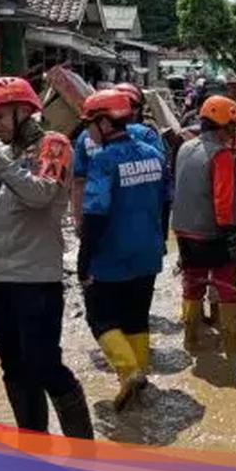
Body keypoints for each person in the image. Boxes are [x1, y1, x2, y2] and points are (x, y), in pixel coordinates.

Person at [0, 77, 93, 438]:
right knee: (14, 368)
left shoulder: (54, 147)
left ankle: (83, 450)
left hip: (36, 282)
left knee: (44, 366)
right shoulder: (2, 156)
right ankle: (34, 446)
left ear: (24, 111)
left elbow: (40, 196)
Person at [77, 89, 170, 410]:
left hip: (111, 254)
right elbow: (165, 202)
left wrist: (83, 260)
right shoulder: (154, 153)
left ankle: (128, 371)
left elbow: (94, 214)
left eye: (89, 124)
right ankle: (138, 380)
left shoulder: (102, 161)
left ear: (104, 123)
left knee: (99, 317)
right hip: (148, 250)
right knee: (137, 318)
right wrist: (160, 242)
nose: (87, 132)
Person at [172, 95, 236, 354]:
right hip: (212, 234)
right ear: (223, 125)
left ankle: (191, 341)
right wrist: (233, 241)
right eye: (231, 126)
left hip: (184, 233)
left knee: (192, 285)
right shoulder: (222, 156)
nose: (234, 132)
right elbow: (224, 201)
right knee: (229, 288)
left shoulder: (185, 148)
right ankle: (234, 349)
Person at [70, 84, 162, 233]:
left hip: (114, 228)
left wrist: (81, 224)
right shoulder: (147, 140)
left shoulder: (94, 146)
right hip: (137, 229)